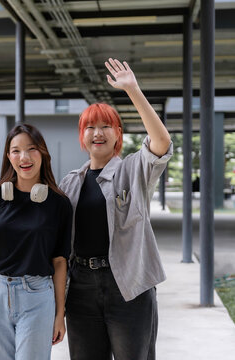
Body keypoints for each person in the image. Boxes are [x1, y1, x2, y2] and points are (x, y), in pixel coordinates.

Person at [59, 58, 172, 360]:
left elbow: (161, 142)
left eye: (106, 126)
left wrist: (132, 90)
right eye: (90, 127)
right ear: (82, 136)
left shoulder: (133, 170)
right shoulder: (69, 183)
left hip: (129, 286)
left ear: (118, 134)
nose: (98, 132)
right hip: (80, 287)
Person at [0, 124, 72, 360]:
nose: (24, 157)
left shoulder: (59, 204)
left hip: (37, 297)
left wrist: (60, 314)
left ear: (43, 153)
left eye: (31, 149)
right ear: (9, 156)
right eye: (16, 151)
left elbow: (60, 262)